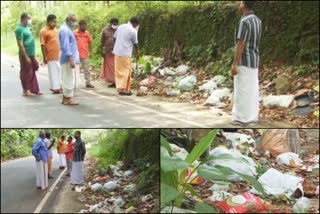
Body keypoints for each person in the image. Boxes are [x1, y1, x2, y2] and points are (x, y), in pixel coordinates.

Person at [230, 0, 262, 125]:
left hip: (244, 60)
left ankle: (241, 117)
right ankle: (252, 116)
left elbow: (241, 43)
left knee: (242, 89)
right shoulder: (257, 21)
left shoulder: (244, 21)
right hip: (254, 59)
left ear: (243, 5)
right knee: (252, 90)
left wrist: (235, 63)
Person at [15, 12, 42, 96]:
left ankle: (33, 90)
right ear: (24, 19)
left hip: (31, 53)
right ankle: (25, 91)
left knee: (32, 71)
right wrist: (26, 57)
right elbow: (20, 43)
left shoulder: (26, 27)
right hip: (25, 54)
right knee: (26, 72)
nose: (30, 20)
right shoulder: (19, 29)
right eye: (29, 19)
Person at [113, 16, 140, 96]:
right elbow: (136, 44)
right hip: (125, 53)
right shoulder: (133, 31)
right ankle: (123, 89)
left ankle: (124, 88)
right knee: (126, 71)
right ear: (135, 24)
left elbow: (114, 38)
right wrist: (138, 53)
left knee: (118, 71)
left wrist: (117, 46)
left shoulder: (121, 26)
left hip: (117, 52)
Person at [59, 14, 80, 105]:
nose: (75, 23)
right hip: (68, 59)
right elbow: (65, 46)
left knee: (68, 78)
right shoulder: (65, 30)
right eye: (73, 21)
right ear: (68, 21)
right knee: (68, 78)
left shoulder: (67, 29)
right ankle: (68, 99)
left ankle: (66, 98)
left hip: (69, 58)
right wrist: (71, 58)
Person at [40, 14, 61, 94]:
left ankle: (58, 86)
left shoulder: (56, 30)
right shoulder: (43, 31)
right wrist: (44, 56)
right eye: (54, 22)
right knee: (53, 72)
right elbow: (42, 44)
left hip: (58, 53)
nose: (55, 24)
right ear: (49, 22)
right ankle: (55, 88)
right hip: (50, 54)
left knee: (59, 71)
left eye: (56, 22)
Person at [74, 20, 94, 88]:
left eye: (85, 25)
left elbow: (90, 42)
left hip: (85, 53)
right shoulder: (74, 33)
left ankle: (88, 82)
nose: (84, 27)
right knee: (75, 69)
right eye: (83, 25)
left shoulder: (87, 33)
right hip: (76, 54)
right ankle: (75, 83)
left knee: (86, 69)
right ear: (79, 25)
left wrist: (90, 52)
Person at [100, 18, 119, 87]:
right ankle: (112, 81)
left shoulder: (119, 30)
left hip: (117, 51)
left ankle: (116, 81)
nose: (115, 25)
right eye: (114, 23)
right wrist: (101, 50)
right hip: (108, 51)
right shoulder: (105, 30)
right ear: (110, 23)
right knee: (109, 67)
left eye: (116, 23)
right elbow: (102, 41)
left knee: (115, 66)